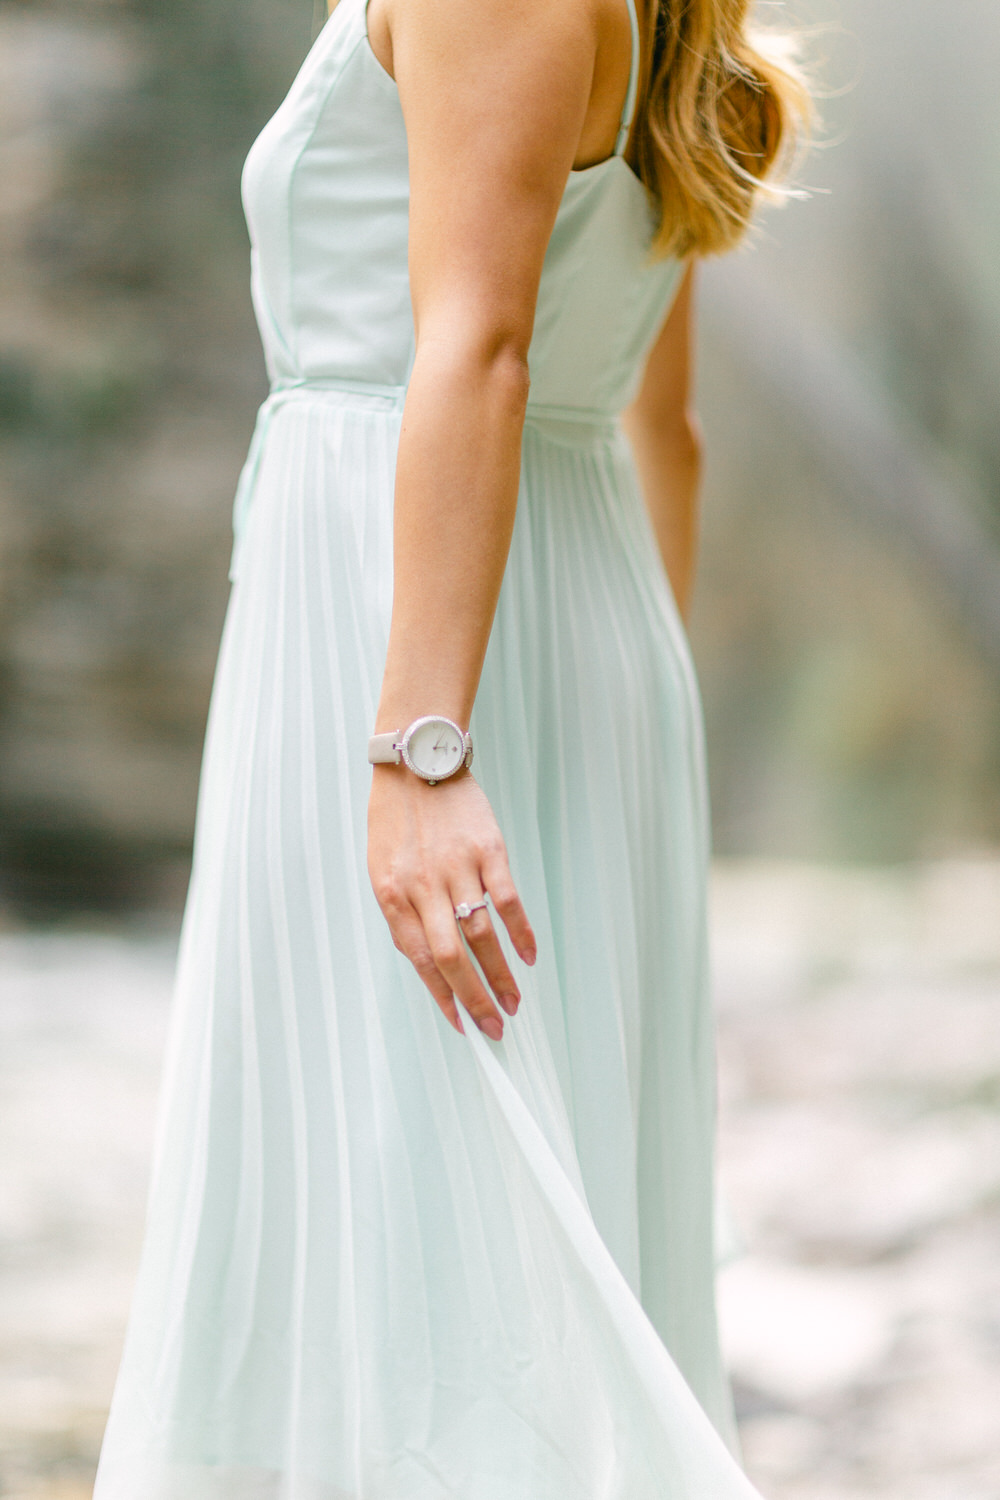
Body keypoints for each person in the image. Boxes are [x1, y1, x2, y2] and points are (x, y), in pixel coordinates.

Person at [93, 0, 809, 1492]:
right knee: (469, 1219)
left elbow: (478, 349)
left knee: (399, 1217)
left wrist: (423, 749)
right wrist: (613, 754)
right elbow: (658, 432)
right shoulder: (681, 36)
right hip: (574, 630)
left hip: (403, 641)